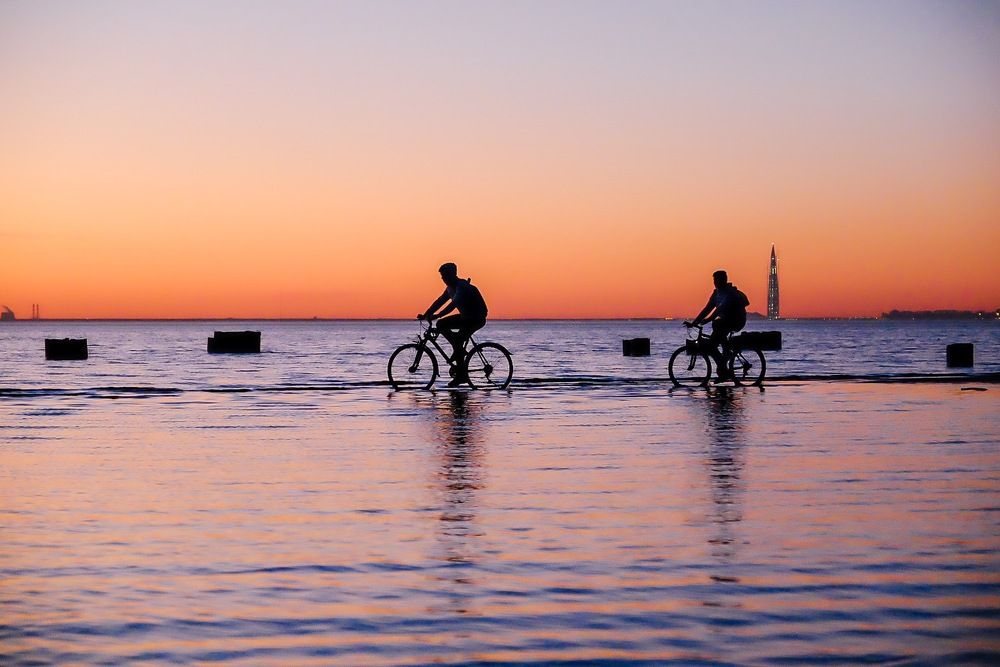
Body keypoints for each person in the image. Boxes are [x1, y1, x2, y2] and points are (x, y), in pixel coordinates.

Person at [420, 262, 489, 387]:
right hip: (465, 317)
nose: (443, 279)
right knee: (441, 325)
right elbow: (439, 301)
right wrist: (426, 314)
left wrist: (437, 315)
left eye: (445, 276)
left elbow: (453, 305)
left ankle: (461, 375)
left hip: (476, 318)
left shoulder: (461, 286)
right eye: (442, 277)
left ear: (453, 274)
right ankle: (458, 350)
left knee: (455, 339)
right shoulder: (450, 288)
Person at [685, 270, 749, 381]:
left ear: (724, 280)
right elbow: (707, 308)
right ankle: (725, 362)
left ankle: (723, 367)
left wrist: (708, 319)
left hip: (737, 320)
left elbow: (719, 310)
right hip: (726, 321)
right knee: (716, 332)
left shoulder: (730, 293)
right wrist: (694, 322)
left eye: (717, 280)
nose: (715, 282)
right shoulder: (716, 293)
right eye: (714, 280)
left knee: (713, 339)